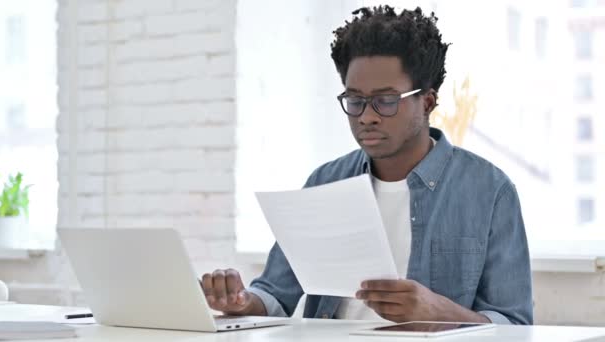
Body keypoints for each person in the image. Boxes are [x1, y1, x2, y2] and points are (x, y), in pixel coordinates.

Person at [201, 5, 533, 325]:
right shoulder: (325, 182)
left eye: (386, 101)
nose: (367, 117)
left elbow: (515, 325)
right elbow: (275, 295)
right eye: (355, 101)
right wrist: (241, 301)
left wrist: (438, 312)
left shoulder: (489, 190)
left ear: (427, 101)